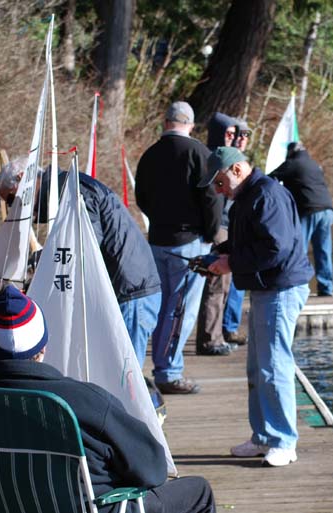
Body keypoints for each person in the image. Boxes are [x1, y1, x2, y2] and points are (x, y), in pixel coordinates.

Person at [0, 285, 217, 513]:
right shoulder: (83, 400)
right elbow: (153, 470)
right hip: (94, 508)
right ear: (42, 347)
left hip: (6, 506)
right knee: (198, 492)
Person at [199, 147, 313, 467]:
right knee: (258, 368)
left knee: (274, 366)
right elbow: (248, 240)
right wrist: (218, 253)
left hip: (281, 289)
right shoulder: (249, 196)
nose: (217, 191)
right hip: (267, 289)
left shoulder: (268, 196)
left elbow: (275, 248)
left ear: (236, 170)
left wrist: (230, 262)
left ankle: (284, 441)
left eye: (219, 183)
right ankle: (263, 436)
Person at [0, 158, 161, 369]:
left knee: (125, 375)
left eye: (11, 199)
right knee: (116, 371)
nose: (13, 207)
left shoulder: (72, 189)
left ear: (22, 179)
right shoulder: (63, 190)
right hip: (128, 288)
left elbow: (85, 243)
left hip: (131, 292)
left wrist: (46, 259)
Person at [135, 101, 223, 394]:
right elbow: (211, 198)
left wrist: (158, 219)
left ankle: (151, 366)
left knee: (158, 307)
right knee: (180, 310)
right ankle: (168, 372)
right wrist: (211, 235)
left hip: (157, 240)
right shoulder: (199, 153)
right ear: (191, 124)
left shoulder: (149, 155)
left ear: (165, 121)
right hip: (189, 243)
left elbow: (142, 198)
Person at [195, 112, 239, 356]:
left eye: (236, 134)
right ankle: (211, 340)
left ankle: (215, 337)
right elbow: (210, 200)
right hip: (218, 231)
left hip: (224, 229)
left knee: (222, 288)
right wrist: (212, 233)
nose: (233, 138)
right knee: (215, 288)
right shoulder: (212, 159)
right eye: (229, 134)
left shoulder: (220, 157)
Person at [270, 142, 333, 296]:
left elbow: (269, 178)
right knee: (324, 251)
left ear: (290, 152)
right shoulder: (314, 164)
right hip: (327, 211)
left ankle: (297, 287)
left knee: (299, 251)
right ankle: (326, 288)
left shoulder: (292, 164)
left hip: (309, 211)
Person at [221, 118, 252, 346]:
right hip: (223, 227)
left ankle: (229, 327)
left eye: (246, 134)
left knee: (236, 283)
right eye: (237, 134)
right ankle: (227, 328)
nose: (242, 138)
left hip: (238, 228)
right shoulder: (224, 164)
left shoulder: (246, 166)